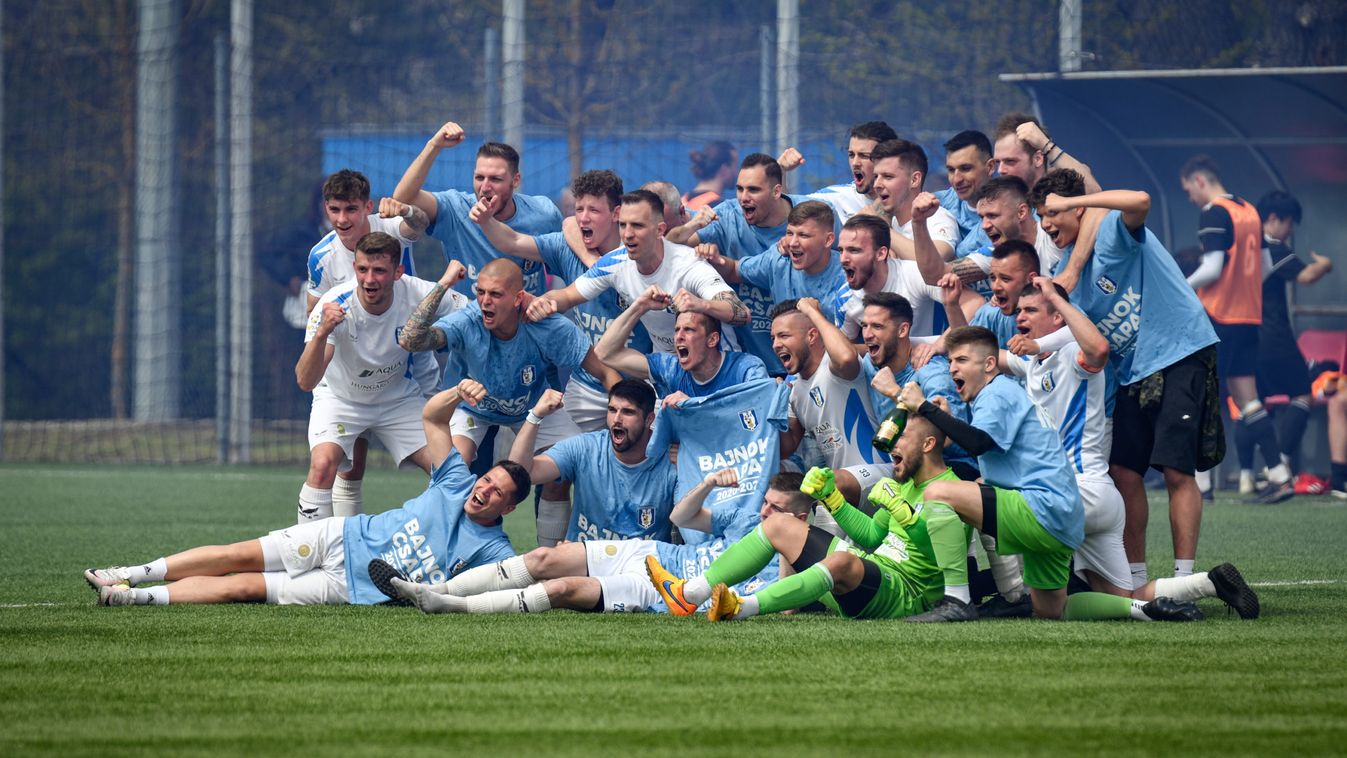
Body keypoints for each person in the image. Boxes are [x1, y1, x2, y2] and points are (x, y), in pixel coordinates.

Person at [84, 380, 529, 607]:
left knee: (241, 588)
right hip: (340, 536)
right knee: (236, 555)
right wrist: (458, 391)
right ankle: (128, 573)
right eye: (486, 480)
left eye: (496, 493)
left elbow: (509, 587)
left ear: (508, 508)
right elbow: (432, 418)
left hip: (346, 588)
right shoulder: (455, 480)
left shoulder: (495, 550)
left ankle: (128, 597)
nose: (484, 490)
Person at [1007, 279, 1259, 620]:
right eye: (1019, 310)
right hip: (1098, 498)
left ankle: (984, 592)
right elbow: (981, 357)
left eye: (1030, 309)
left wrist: (1055, 297)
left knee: (988, 508)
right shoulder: (1031, 362)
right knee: (1121, 598)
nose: (1020, 316)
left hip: (1071, 496)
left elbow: (1098, 348)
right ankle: (1207, 583)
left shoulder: (1073, 354)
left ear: (1057, 318)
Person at [1029, 168, 1221, 591]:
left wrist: (1071, 202)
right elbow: (1077, 331)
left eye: (1052, 213)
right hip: (1132, 370)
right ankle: (1136, 580)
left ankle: (1183, 581)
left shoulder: (1112, 232)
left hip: (1180, 351)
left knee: (1176, 470)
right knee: (1123, 472)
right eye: (1041, 215)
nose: (1046, 223)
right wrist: (1034, 345)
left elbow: (1140, 200)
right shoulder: (1064, 267)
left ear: (1077, 209)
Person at [382, 471, 813, 616]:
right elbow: (681, 519)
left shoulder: (802, 562)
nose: (764, 514)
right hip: (652, 553)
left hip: (663, 592)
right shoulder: (747, 519)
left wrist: (786, 553)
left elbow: (787, 607)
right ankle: (435, 590)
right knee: (544, 557)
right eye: (765, 503)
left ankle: (448, 605)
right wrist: (708, 484)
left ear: (798, 520)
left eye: (775, 510)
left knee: (561, 590)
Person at [398, 258, 613, 546]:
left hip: (532, 406)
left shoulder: (546, 324)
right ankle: (438, 551)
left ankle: (549, 560)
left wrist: (623, 414)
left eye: (496, 294)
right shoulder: (468, 319)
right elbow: (410, 340)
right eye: (480, 292)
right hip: (471, 407)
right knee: (453, 471)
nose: (485, 301)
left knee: (568, 469)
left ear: (518, 298)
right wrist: (445, 283)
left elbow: (604, 372)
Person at [647, 426, 945, 622]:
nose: (892, 443)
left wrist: (904, 513)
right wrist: (832, 498)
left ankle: (739, 607)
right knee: (778, 524)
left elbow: (944, 560)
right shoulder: (904, 485)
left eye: (903, 438)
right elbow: (871, 536)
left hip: (905, 594)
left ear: (928, 444)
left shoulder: (950, 491)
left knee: (842, 561)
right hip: (871, 577)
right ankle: (690, 594)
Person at [897, 325, 1084, 619]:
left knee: (938, 492)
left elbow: (978, 443)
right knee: (1051, 609)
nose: (952, 368)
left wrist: (923, 406)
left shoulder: (997, 392)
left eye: (962, 360)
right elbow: (981, 443)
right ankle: (1139, 607)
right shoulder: (1002, 392)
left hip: (1042, 509)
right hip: (1062, 514)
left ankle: (957, 601)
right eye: (950, 361)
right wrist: (947, 419)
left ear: (988, 364)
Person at [295, 233, 469, 522]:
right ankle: (309, 547)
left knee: (451, 470)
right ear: (354, 268)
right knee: (322, 465)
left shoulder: (418, 291)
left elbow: (475, 313)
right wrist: (322, 332)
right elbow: (305, 381)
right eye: (363, 269)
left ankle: (455, 544)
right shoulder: (334, 303)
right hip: (340, 399)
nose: (369, 279)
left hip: (397, 399)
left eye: (379, 271)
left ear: (398, 272)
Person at [468, 169, 642, 433]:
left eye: (594, 210)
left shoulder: (639, 254)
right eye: (579, 209)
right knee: (560, 454)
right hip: (586, 385)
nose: (583, 218)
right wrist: (486, 221)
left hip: (639, 385)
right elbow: (513, 241)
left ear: (616, 214)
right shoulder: (567, 246)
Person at [1180, 155, 1290, 503]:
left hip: (1218, 317)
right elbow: (1266, 267)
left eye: (1188, 190)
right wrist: (1244, 289)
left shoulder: (1214, 212)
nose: (1190, 198)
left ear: (1199, 181)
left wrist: (1179, 288)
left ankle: (1201, 486)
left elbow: (1212, 268)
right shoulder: (1250, 212)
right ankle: (1279, 475)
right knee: (1247, 399)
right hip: (1247, 319)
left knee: (1200, 396)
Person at [527, 189, 749, 356]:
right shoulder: (615, 262)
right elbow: (567, 295)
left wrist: (700, 304)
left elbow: (741, 312)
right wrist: (544, 302)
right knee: (605, 355)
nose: (628, 234)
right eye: (623, 225)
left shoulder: (688, 264)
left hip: (718, 370)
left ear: (659, 230)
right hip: (668, 372)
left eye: (637, 226)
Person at [1232, 190, 1333, 492]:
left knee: (1251, 404)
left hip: (1244, 337)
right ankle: (1281, 463)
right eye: (1289, 223)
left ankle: (1246, 475)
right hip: (1273, 337)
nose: (1290, 231)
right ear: (1274, 219)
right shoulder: (1272, 248)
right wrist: (1325, 265)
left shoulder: (1242, 248)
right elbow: (1307, 276)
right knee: (1302, 393)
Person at [393, 120, 561, 298]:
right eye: (479, 177)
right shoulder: (456, 210)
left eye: (495, 179)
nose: (485, 187)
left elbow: (566, 263)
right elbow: (403, 198)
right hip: (466, 315)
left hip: (528, 316)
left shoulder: (544, 214)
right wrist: (433, 146)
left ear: (516, 180)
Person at [667, 153, 803, 373]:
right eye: (740, 189)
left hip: (800, 366)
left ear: (777, 191)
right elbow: (669, 246)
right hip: (746, 366)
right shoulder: (727, 215)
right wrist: (694, 226)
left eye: (753, 190)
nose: (743, 197)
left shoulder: (808, 217)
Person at [509, 381, 677, 543]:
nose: (617, 419)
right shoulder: (586, 447)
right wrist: (535, 417)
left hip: (643, 561)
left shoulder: (671, 459)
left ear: (649, 419)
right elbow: (519, 475)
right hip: (583, 559)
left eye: (628, 412)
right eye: (612, 410)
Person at [773, 297, 891, 512]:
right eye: (773, 338)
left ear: (811, 335)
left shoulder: (834, 366)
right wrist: (774, 407)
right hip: (844, 492)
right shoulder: (794, 391)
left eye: (784, 336)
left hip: (883, 473)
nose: (775, 344)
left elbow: (846, 357)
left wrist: (812, 312)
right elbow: (785, 448)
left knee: (828, 485)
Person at [698, 200, 853, 329]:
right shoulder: (778, 260)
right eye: (790, 233)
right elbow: (734, 270)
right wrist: (715, 259)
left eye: (803, 235)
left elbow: (856, 348)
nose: (793, 243)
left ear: (828, 240)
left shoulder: (850, 277)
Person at [595, 288, 767, 400]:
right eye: (677, 330)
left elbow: (756, 418)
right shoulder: (671, 369)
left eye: (689, 330)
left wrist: (693, 406)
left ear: (712, 339)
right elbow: (605, 353)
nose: (679, 337)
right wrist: (640, 306)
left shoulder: (746, 368)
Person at [837, 214, 981, 340]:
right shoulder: (845, 298)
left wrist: (938, 344)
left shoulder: (914, 274)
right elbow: (847, 349)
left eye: (854, 250)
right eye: (841, 251)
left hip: (933, 360)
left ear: (881, 253)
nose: (843, 259)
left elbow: (974, 302)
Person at [305, 169, 424, 314]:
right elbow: (312, 312)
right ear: (326, 208)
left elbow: (420, 226)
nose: (342, 219)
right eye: (335, 210)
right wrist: (327, 318)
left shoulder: (391, 226)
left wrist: (407, 211)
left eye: (351, 209)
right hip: (355, 328)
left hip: (408, 324)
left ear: (368, 207)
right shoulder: (320, 256)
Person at [869, 139, 962, 266]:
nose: (876, 184)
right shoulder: (894, 222)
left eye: (888, 176)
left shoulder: (938, 219)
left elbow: (935, 261)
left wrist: (883, 230)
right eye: (876, 177)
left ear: (914, 180)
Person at [807, 121, 899, 224]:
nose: (855, 163)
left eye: (864, 156)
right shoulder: (834, 197)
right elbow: (794, 210)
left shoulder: (910, 205)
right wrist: (788, 170)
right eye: (851, 155)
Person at [991, 113, 1100, 195]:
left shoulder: (1062, 194)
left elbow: (1094, 191)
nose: (1000, 170)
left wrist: (1046, 145)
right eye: (998, 162)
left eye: (1010, 161)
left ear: (1038, 159)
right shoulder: (998, 203)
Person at [935, 130, 997, 258]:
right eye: (951, 170)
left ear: (990, 167)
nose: (956, 179)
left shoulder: (1010, 209)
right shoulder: (937, 203)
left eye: (966, 168)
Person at [683, 140, 737, 211]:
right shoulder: (720, 209)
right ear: (724, 169)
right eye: (735, 166)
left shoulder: (682, 201)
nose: (737, 172)